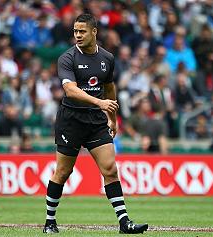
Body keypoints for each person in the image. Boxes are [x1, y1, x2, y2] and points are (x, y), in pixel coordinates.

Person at [43, 13, 148, 234]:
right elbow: (69, 90)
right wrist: (99, 102)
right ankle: (49, 222)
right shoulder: (67, 58)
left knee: (110, 169)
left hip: (96, 121)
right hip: (71, 120)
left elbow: (109, 87)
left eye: (82, 31)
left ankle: (124, 222)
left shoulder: (107, 58)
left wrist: (112, 117)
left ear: (94, 32)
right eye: (75, 31)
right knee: (63, 172)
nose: (78, 35)